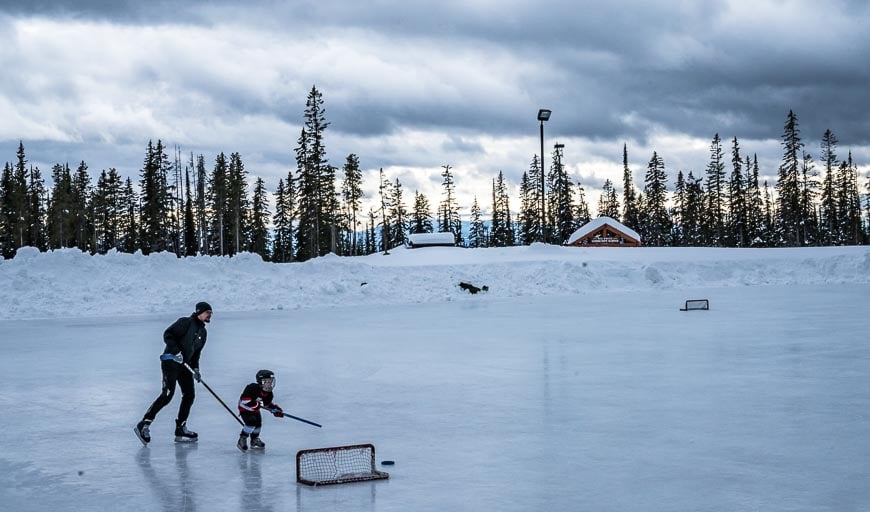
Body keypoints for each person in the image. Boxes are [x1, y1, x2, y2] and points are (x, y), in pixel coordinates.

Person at [134, 301, 212, 445]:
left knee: (189, 395)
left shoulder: (203, 332)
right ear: (199, 312)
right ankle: (144, 423)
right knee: (168, 394)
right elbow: (168, 334)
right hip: (171, 362)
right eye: (207, 312)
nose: (210, 315)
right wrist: (176, 352)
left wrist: (196, 369)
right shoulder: (185, 322)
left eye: (210, 313)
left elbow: (196, 354)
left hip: (185, 366)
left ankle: (180, 429)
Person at [236, 369, 284, 452]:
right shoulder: (252, 388)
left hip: (255, 410)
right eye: (267, 381)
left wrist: (274, 409)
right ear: (261, 382)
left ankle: (254, 440)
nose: (270, 384)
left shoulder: (269, 393)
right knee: (251, 422)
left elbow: (266, 404)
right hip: (245, 409)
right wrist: (256, 404)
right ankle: (242, 438)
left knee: (258, 424)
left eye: (271, 381)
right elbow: (245, 401)